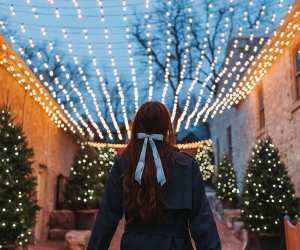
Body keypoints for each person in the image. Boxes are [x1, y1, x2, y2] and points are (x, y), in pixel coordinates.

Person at [87, 101, 221, 250]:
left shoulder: (124, 163)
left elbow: (106, 218)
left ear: (137, 125)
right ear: (166, 127)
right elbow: (202, 222)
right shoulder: (186, 165)